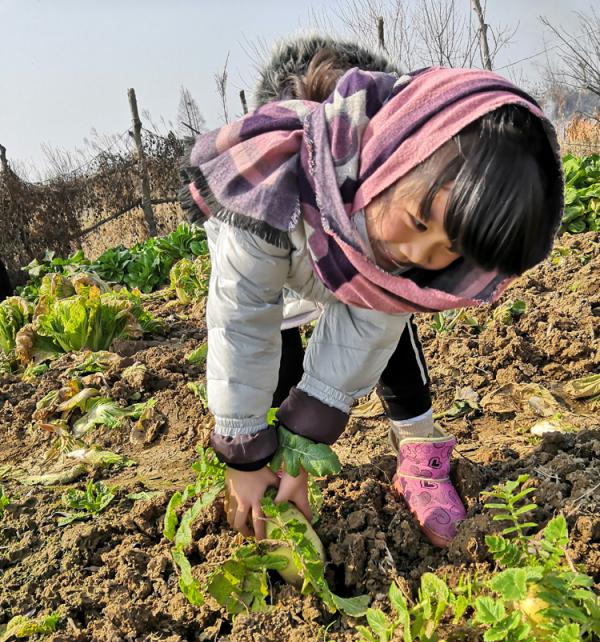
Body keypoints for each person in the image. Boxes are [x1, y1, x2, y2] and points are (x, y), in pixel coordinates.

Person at [179, 34, 564, 548]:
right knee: (276, 357)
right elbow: (242, 320)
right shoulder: (267, 198)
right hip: (284, 245)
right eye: (419, 220)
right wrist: (244, 450)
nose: (421, 255)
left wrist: (304, 443)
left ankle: (418, 454)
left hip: (352, 262)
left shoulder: (404, 253)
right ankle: (261, 477)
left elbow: (360, 339)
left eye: (447, 249)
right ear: (394, 156)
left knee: (393, 341)